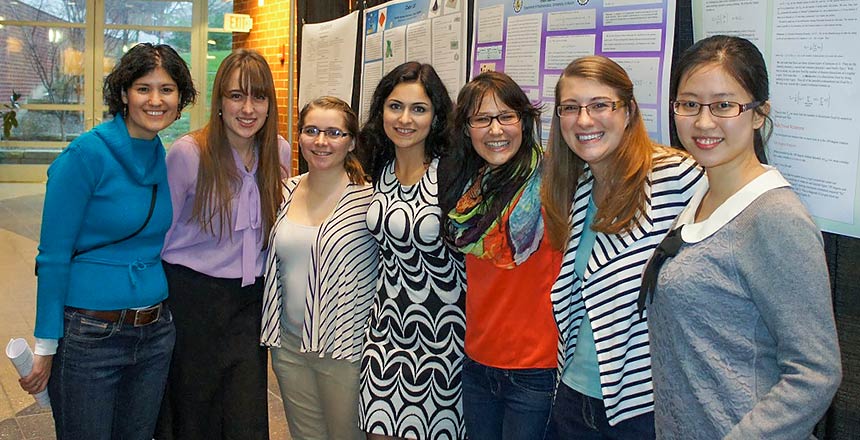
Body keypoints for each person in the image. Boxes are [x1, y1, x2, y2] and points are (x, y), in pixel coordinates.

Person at [641, 35, 842, 439]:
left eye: (723, 105)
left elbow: (815, 372)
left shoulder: (774, 218)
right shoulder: (703, 193)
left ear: (757, 114)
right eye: (689, 104)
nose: (703, 122)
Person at [21, 43, 196, 439]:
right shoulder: (85, 156)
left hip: (154, 334)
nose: (156, 100)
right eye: (143, 88)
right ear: (123, 94)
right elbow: (52, 256)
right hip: (90, 335)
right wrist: (45, 345)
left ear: (180, 99)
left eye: (167, 89)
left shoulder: (158, 154)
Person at [541, 55, 704, 438]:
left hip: (642, 406)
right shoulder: (580, 184)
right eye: (571, 108)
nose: (584, 120)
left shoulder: (675, 178)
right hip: (573, 392)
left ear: (629, 111)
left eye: (600, 105)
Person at [156, 49, 290, 440]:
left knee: (245, 412)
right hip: (193, 299)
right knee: (194, 409)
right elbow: (160, 236)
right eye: (236, 96)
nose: (247, 108)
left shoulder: (278, 152)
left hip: (251, 303)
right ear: (219, 102)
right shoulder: (189, 154)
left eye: (258, 97)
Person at [437, 71, 560, 440]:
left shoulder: (554, 182)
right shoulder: (470, 189)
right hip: (476, 362)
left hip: (535, 368)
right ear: (467, 129)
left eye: (506, 116)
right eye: (481, 119)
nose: (495, 130)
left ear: (523, 121)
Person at [358, 61, 466, 440]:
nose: (405, 118)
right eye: (395, 106)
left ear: (436, 117)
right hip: (386, 331)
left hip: (446, 336)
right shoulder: (378, 166)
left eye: (418, 109)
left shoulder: (452, 171)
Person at [259, 96, 377, 440]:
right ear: (299, 137)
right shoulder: (285, 190)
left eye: (334, 133)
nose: (321, 142)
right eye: (311, 131)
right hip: (288, 347)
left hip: (344, 350)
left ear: (352, 141)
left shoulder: (369, 199)